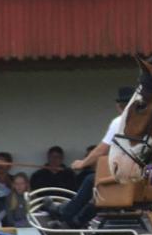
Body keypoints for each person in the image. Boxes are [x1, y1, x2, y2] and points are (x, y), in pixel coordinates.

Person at [45, 87, 134, 227]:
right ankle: (79, 219)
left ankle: (65, 212)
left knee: (92, 179)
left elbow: (102, 149)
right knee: (100, 191)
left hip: (127, 178)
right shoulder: (147, 122)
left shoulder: (121, 121)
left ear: (120, 106)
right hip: (138, 177)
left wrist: (83, 163)